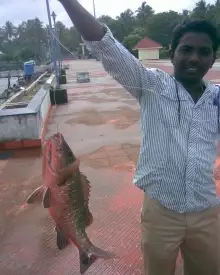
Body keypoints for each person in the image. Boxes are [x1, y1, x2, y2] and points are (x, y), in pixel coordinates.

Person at [58, 1, 220, 274]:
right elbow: (104, 44)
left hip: (206, 211)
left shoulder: (217, 98)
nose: (194, 58)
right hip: (161, 213)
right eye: (187, 49)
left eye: (204, 52)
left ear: (213, 58)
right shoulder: (151, 85)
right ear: (172, 53)